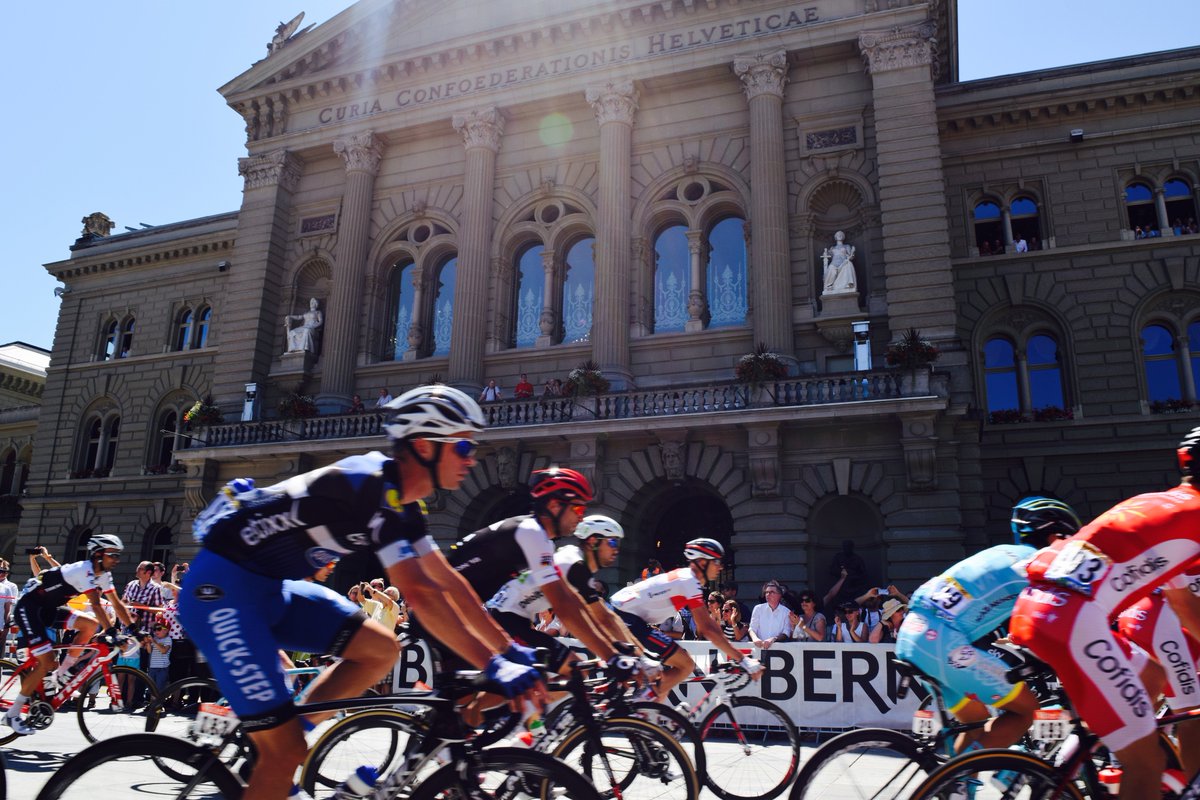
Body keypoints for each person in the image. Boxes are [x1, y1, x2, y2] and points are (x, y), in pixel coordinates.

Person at [178, 385, 544, 800]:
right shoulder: (372, 486)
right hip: (222, 592)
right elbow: (422, 596)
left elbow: (449, 583)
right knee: (283, 755)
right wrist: (492, 663)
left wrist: (506, 651)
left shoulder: (403, 504)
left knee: (378, 649)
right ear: (425, 446)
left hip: (269, 590)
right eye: (463, 446)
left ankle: (283, 745)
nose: (471, 458)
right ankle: (279, 754)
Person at [1010, 431, 1200, 800]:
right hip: (1073, 617)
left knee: (1153, 675)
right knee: (1146, 762)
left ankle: (1084, 755)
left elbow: (1180, 602)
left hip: (1039, 605)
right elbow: (1185, 607)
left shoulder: (1157, 502)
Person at [896, 496, 1081, 756]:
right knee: (1025, 711)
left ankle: (953, 790)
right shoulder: (1038, 564)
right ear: (1054, 538)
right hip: (942, 641)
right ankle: (983, 774)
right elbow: (1055, 620)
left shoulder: (1003, 552)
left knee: (975, 722)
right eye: (1069, 542)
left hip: (911, 632)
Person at [441, 468, 625, 671]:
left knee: (533, 678)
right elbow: (563, 604)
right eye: (578, 510)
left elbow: (569, 601)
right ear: (555, 506)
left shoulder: (539, 537)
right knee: (558, 670)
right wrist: (612, 655)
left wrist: (612, 651)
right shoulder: (532, 532)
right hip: (448, 611)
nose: (581, 518)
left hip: (462, 611)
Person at [485, 514, 652, 680]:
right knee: (573, 672)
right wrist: (640, 658)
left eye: (618, 544)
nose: (616, 550)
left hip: (511, 615)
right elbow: (603, 618)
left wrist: (640, 654)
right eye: (612, 542)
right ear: (593, 541)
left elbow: (602, 615)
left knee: (571, 673)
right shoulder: (575, 566)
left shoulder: (575, 560)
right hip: (506, 617)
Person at [6, 534, 136, 734]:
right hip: (30, 608)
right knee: (46, 661)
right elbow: (94, 603)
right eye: (113, 555)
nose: (117, 560)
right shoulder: (84, 570)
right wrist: (111, 631)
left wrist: (135, 629)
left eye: (118, 555)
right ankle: (13, 714)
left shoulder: (103, 574)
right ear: (99, 555)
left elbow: (116, 604)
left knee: (90, 625)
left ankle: (61, 673)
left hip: (49, 609)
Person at [611, 538, 763, 701]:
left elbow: (709, 626)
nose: (721, 566)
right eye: (716, 561)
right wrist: (742, 659)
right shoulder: (688, 581)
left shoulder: (689, 581)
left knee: (663, 683)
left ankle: (645, 716)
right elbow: (707, 628)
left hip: (627, 616)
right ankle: (640, 707)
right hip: (626, 617)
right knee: (685, 665)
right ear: (703, 563)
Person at [749, 580, 792, 648]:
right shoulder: (758, 609)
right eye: (766, 592)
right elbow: (752, 628)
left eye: (772, 592)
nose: (768, 594)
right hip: (759, 648)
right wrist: (755, 638)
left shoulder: (786, 612)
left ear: (779, 595)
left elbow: (786, 632)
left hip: (778, 649)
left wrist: (773, 639)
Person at [146, 622, 172, 691]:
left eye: (159, 629)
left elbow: (164, 651)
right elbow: (149, 651)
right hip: (152, 667)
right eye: (154, 629)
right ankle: (152, 702)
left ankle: (159, 702)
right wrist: (148, 642)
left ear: (166, 630)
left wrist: (154, 642)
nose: (156, 631)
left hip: (162, 668)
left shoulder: (168, 639)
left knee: (159, 689)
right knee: (152, 689)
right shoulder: (155, 639)